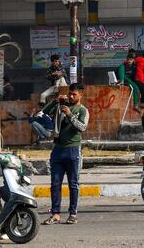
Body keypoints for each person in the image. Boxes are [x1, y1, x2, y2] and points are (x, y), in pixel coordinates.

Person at [42, 83, 89, 225]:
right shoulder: (61, 106)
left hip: (73, 150)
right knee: (55, 183)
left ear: (81, 95)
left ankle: (72, 213)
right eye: (70, 93)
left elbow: (82, 127)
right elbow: (44, 111)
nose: (71, 96)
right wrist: (55, 100)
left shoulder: (82, 110)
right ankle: (55, 214)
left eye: (74, 94)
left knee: (73, 184)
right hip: (58, 149)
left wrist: (69, 115)